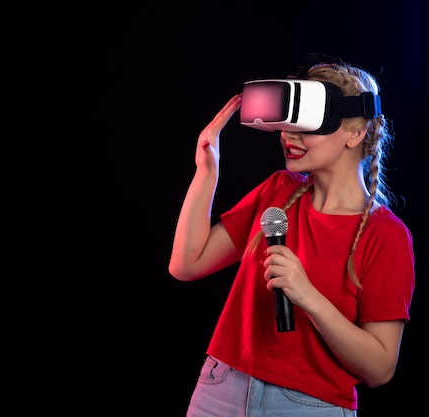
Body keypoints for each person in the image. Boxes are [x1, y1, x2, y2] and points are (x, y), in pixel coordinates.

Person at [168, 56, 415, 416]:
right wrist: (206, 173)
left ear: (355, 133)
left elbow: (380, 369)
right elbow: (186, 265)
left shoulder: (385, 235)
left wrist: (308, 296)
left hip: (309, 405)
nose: (289, 136)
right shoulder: (277, 192)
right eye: (287, 124)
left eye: (308, 126)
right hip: (220, 388)